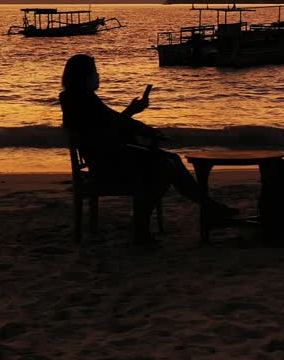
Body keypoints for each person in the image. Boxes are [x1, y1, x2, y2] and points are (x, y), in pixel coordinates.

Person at [58, 54, 233, 243]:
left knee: (171, 159)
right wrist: (133, 114)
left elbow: (115, 121)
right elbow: (106, 131)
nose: (98, 76)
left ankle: (206, 206)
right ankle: (143, 229)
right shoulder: (78, 101)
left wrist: (147, 130)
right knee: (163, 167)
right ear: (85, 76)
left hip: (110, 155)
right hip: (105, 163)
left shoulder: (83, 98)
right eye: (95, 72)